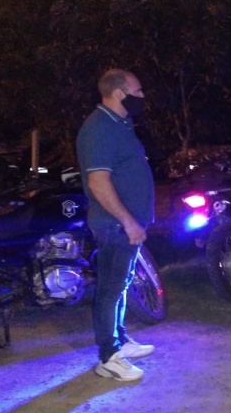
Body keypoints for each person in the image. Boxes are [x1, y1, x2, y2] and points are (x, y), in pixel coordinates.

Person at [76, 68, 155, 381]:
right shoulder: (99, 128)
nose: (142, 97)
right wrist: (128, 222)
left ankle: (119, 339)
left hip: (126, 225)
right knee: (110, 289)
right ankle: (109, 357)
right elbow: (98, 182)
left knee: (120, 284)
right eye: (138, 92)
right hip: (114, 225)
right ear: (119, 93)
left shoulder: (121, 124)